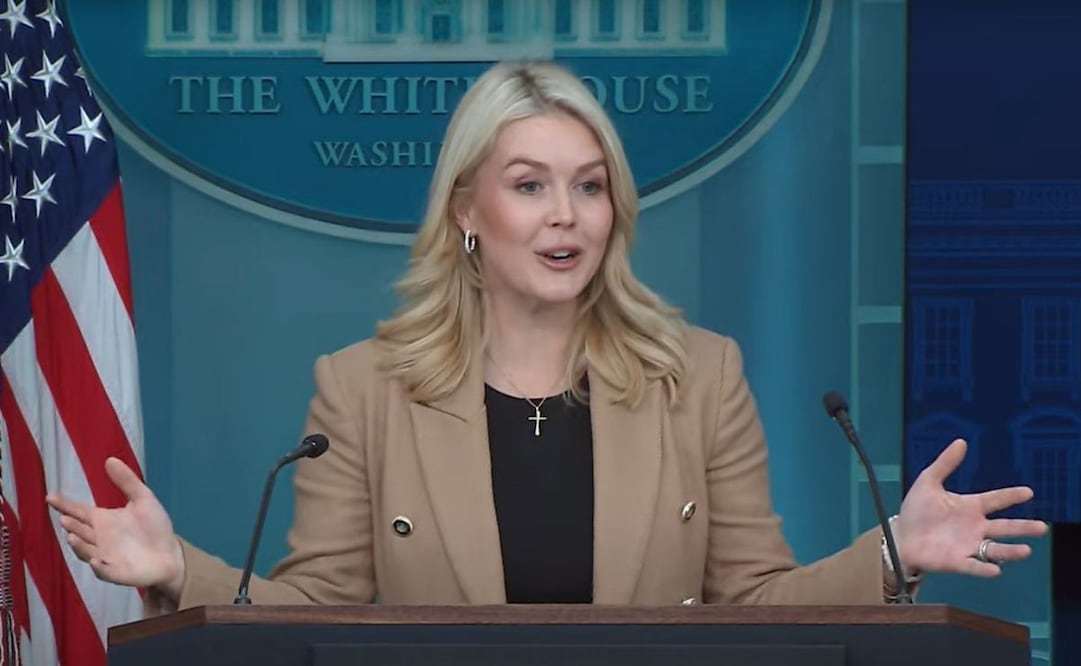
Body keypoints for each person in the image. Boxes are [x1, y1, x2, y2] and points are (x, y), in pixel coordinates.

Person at [47, 60, 1046, 611]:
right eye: (529, 186)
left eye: (589, 184)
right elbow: (319, 611)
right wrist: (180, 567)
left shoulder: (699, 377)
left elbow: (753, 605)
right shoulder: (361, 390)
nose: (565, 215)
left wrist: (890, 552)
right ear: (469, 213)